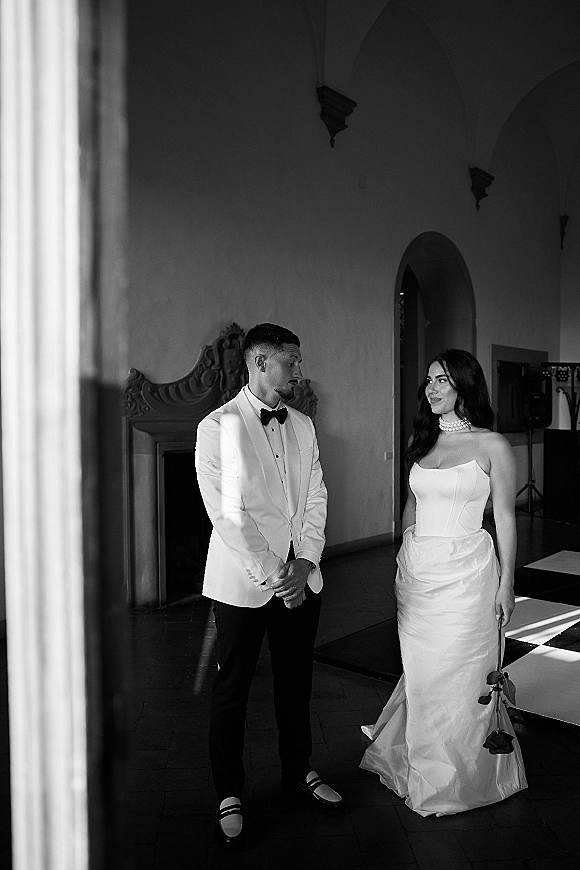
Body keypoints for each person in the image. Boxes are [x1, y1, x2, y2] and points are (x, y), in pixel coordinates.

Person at [360, 349, 527, 816]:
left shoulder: (493, 445)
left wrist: (507, 583)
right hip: (419, 574)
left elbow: (506, 518)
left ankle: (458, 776)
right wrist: (404, 553)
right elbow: (413, 505)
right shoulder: (423, 438)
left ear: (465, 386)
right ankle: (422, 759)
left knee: (460, 670)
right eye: (429, 380)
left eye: (442, 380)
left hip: (467, 573)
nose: (431, 388)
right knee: (424, 672)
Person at [195, 322, 343, 846]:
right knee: (232, 689)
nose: (299, 371)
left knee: (295, 682)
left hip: (301, 578)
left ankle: (298, 770)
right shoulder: (217, 426)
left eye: (299, 362)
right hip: (244, 583)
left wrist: (305, 562)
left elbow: (317, 497)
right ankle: (228, 791)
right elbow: (228, 514)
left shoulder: (303, 425)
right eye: (291, 361)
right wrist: (277, 575)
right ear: (260, 362)